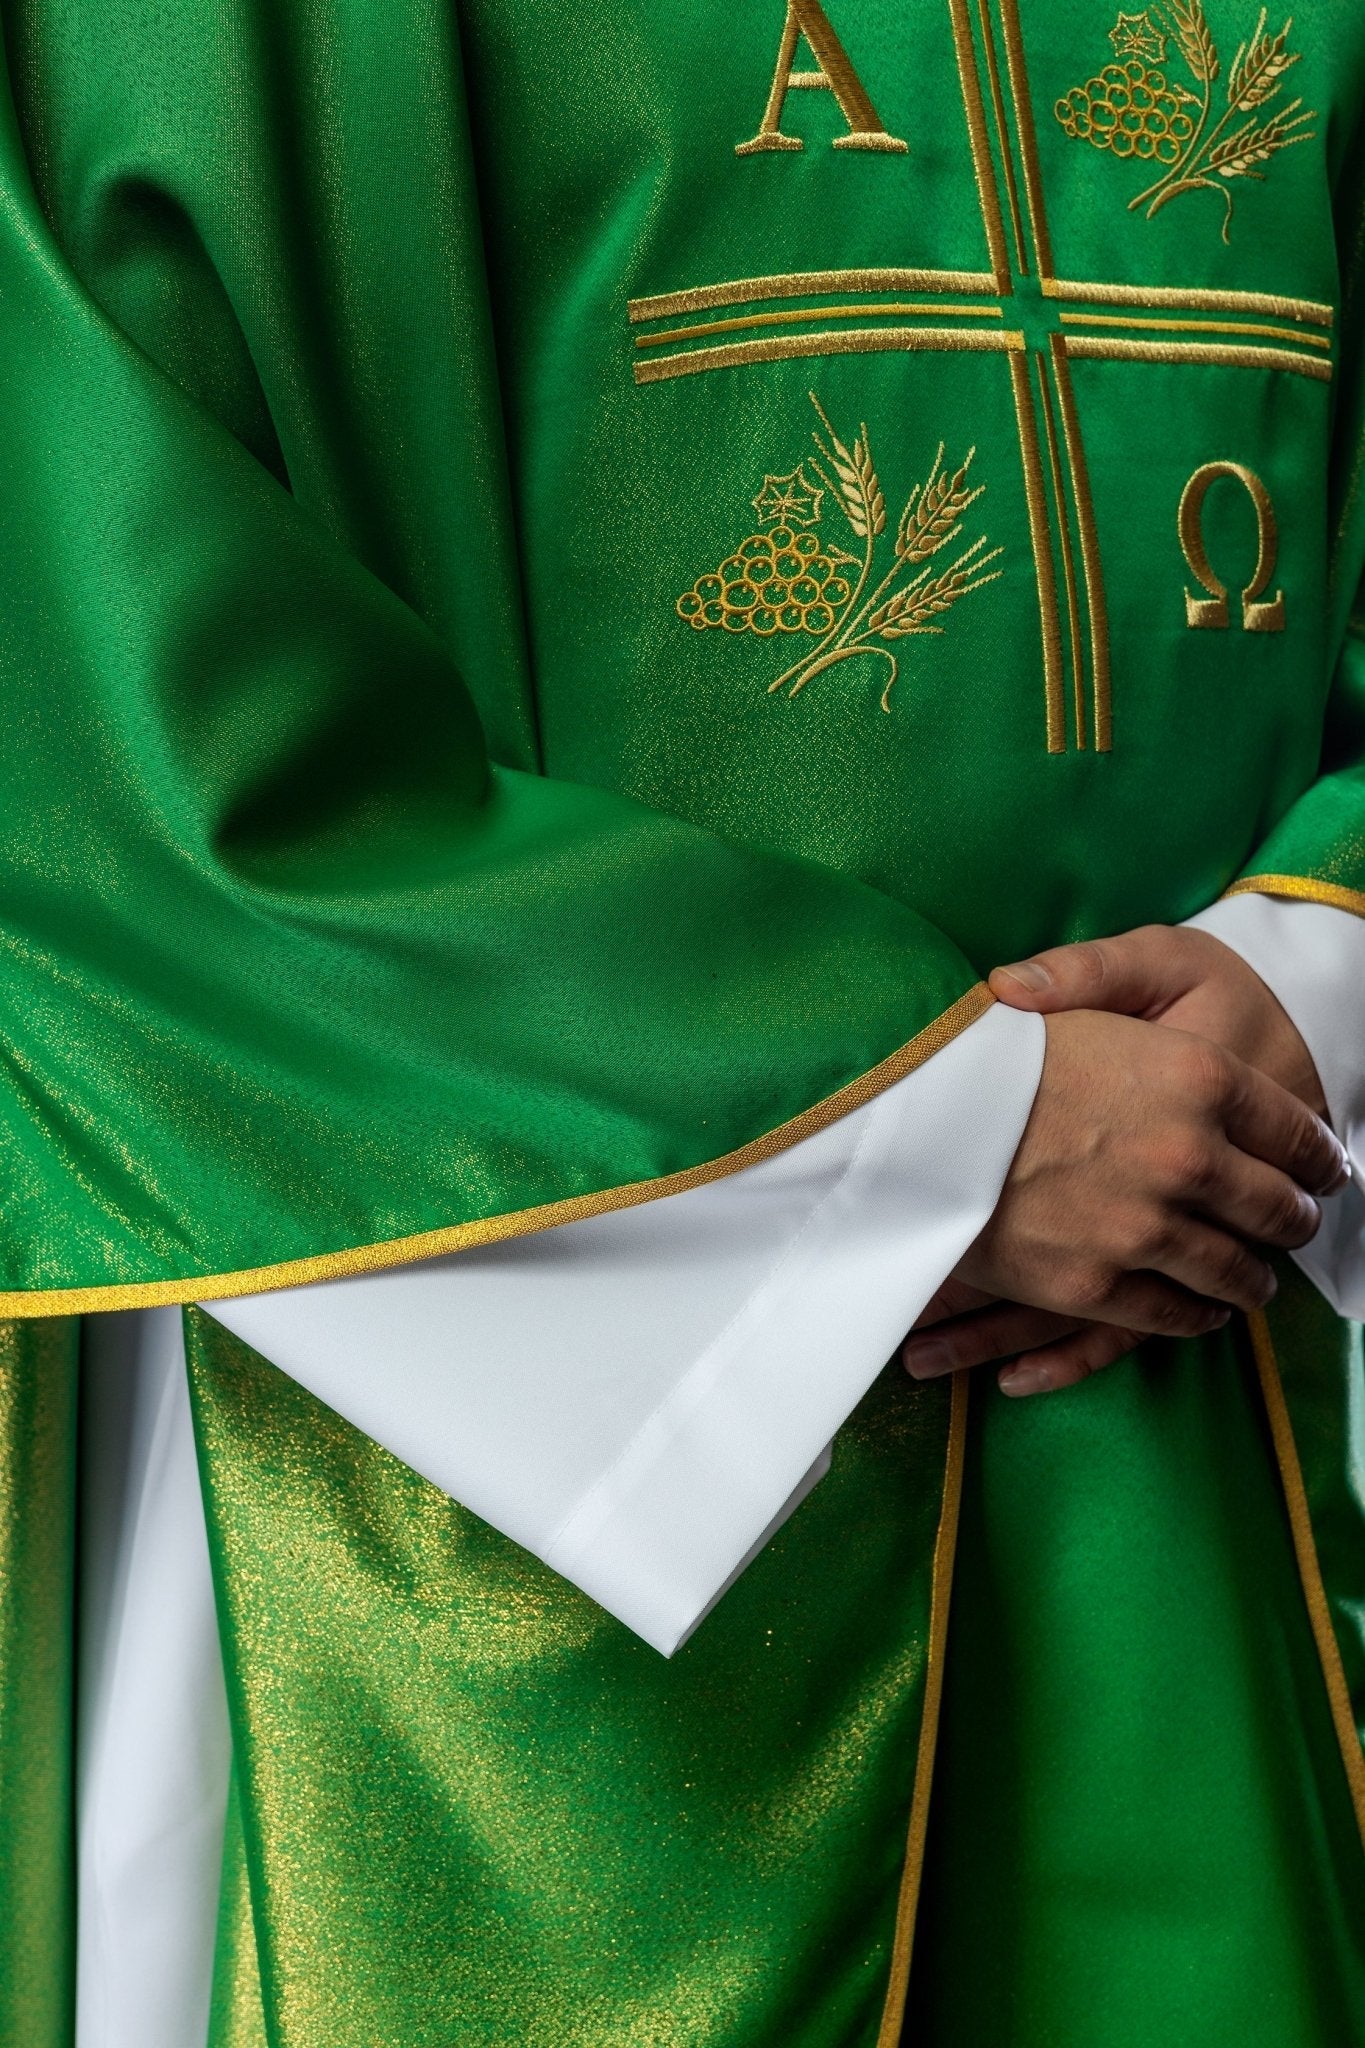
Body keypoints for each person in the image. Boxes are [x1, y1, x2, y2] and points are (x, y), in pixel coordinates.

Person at [0, 1, 1361, 2043]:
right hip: (483, 1432)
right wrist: (902, 1147)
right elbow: (76, 664)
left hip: (1222, 1371)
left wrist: (1312, 981)